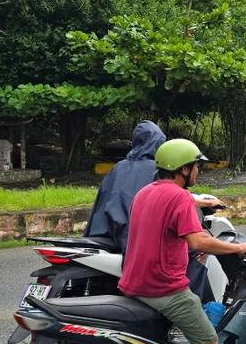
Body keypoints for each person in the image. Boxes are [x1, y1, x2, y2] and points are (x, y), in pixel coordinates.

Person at [119, 139, 246, 344]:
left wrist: (197, 215)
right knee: (206, 342)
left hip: (134, 282)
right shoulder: (179, 197)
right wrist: (237, 248)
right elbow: (198, 241)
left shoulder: (145, 192)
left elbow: (166, 226)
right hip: (163, 288)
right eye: (196, 167)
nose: (197, 172)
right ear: (183, 169)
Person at [86, 121, 220, 298]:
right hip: (135, 235)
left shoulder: (119, 168)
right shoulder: (157, 171)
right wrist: (204, 202)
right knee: (194, 252)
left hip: (107, 233)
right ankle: (189, 303)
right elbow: (172, 196)